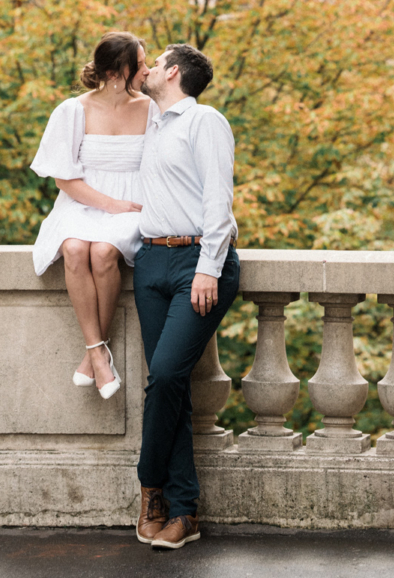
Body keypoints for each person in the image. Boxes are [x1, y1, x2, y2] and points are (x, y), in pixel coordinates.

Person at [132, 43, 239, 551]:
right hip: (150, 261)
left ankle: (150, 482)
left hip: (196, 263)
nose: (147, 69)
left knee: (169, 376)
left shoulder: (205, 122)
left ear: (173, 72)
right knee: (168, 387)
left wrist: (208, 268)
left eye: (155, 63)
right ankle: (180, 511)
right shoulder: (151, 123)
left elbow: (219, 197)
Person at [30, 31, 154, 399]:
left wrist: (124, 206)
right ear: (117, 73)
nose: (147, 70)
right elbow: (64, 179)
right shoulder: (73, 110)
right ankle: (98, 354)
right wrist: (110, 204)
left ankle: (93, 354)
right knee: (73, 249)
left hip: (133, 204)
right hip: (82, 202)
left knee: (102, 252)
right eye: (141, 63)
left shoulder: (151, 109)